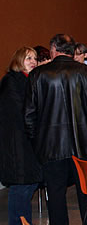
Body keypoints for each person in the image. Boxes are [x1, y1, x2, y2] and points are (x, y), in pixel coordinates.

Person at [24, 34, 87, 225]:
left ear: (53, 49)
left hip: (50, 147)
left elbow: (29, 115)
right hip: (84, 146)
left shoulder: (38, 75)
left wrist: (36, 141)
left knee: (56, 197)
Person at [0, 47, 42, 225]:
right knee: (21, 188)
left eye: (34, 58)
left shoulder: (27, 80)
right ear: (18, 61)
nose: (33, 61)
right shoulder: (13, 81)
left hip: (25, 143)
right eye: (28, 58)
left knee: (28, 185)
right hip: (17, 145)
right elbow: (21, 113)